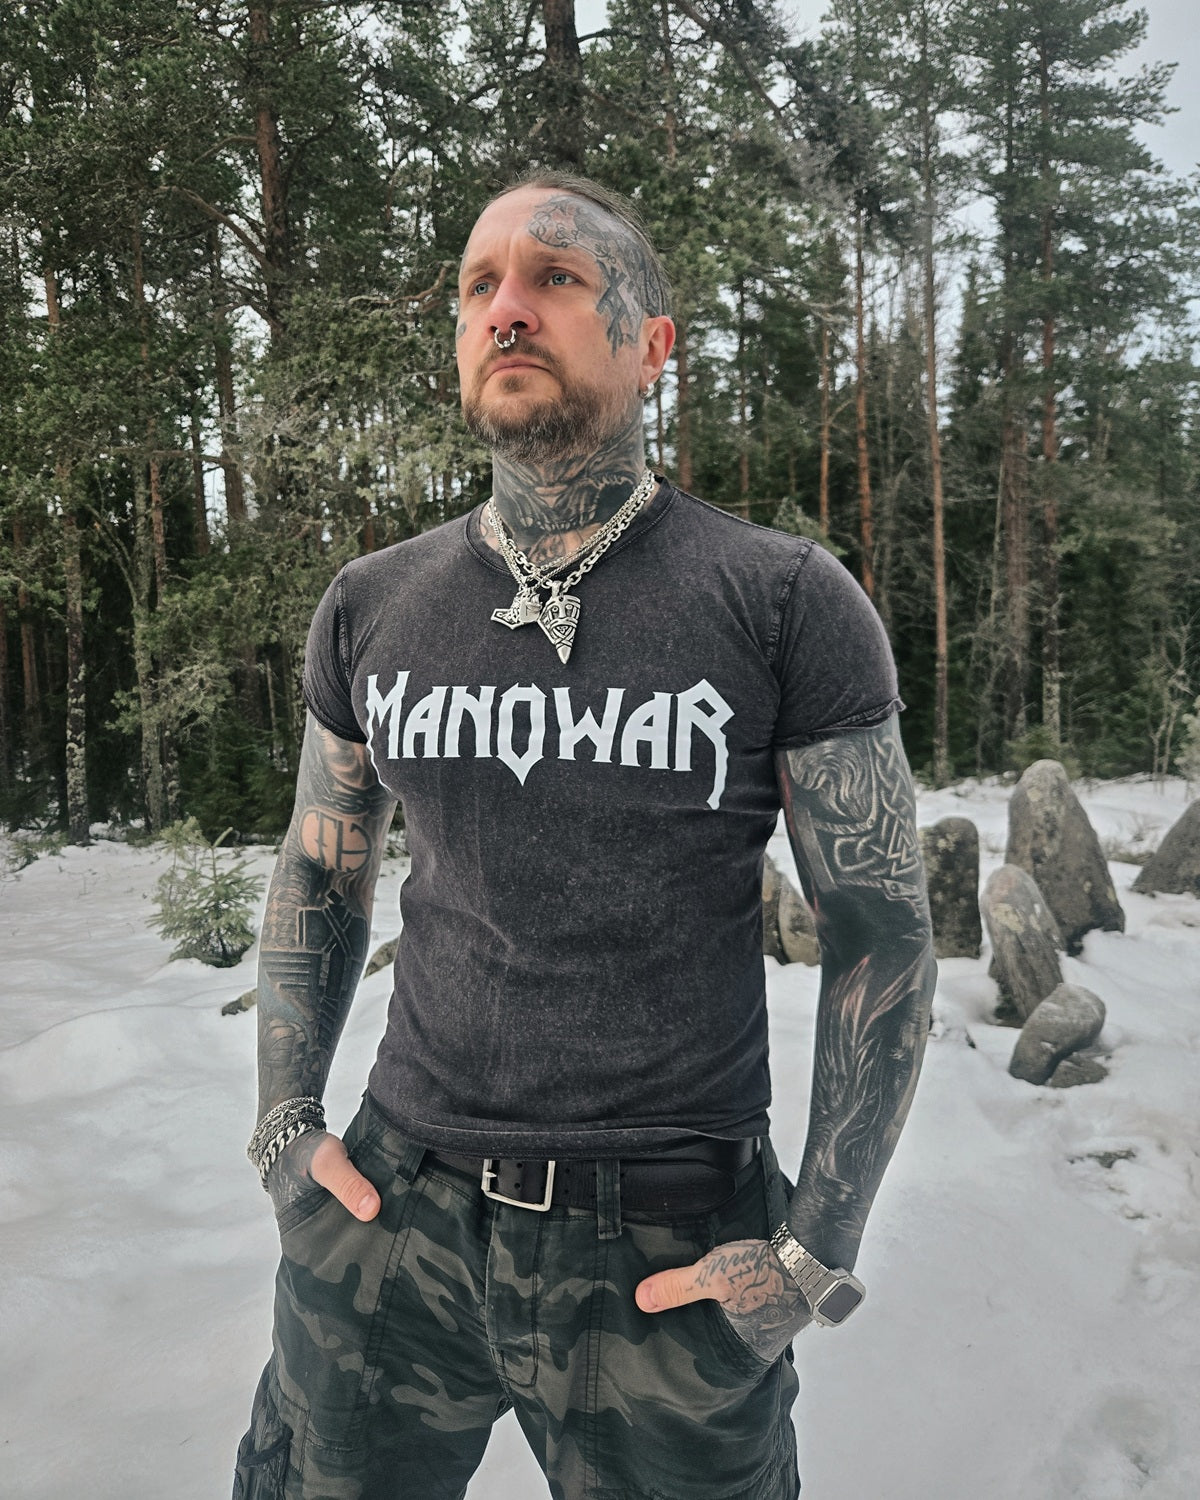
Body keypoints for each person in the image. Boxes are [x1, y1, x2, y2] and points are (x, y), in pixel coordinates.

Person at [233, 171, 936, 1500]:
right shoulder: (374, 603)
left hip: (668, 1245)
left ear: (651, 344)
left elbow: (880, 931)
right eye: (478, 286)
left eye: (554, 277)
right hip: (393, 1213)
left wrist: (815, 1253)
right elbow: (320, 867)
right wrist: (284, 1129)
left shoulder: (782, 600)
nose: (507, 308)